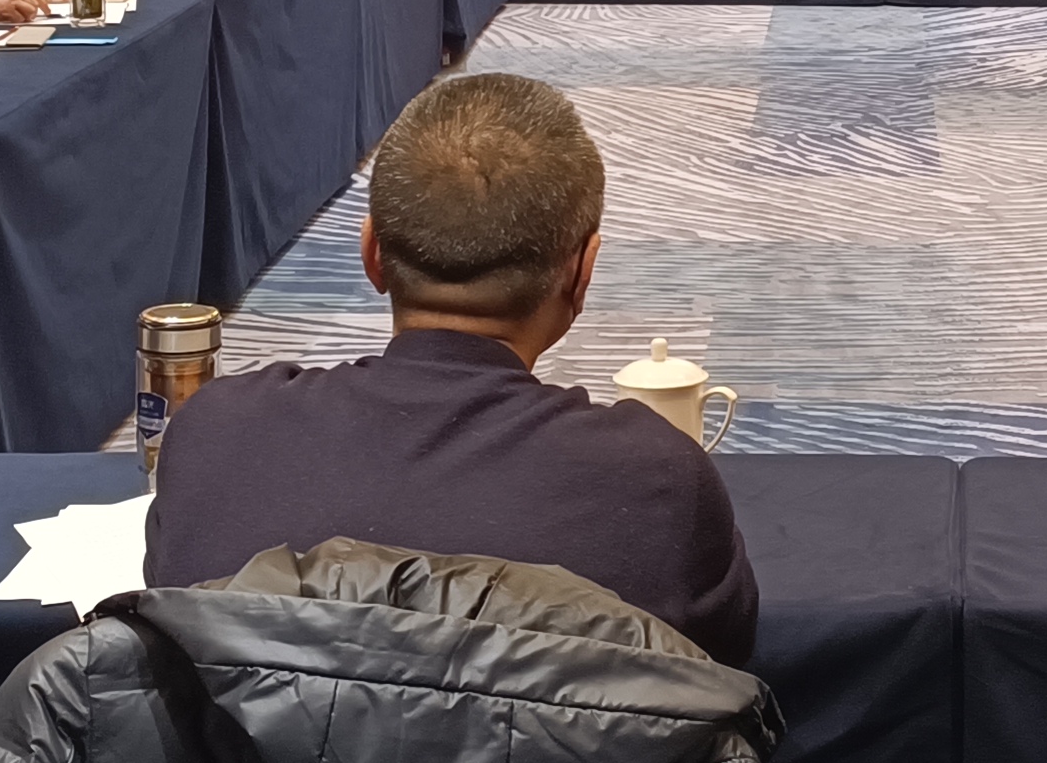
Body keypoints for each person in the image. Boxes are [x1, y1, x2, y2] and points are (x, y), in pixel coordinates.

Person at [145, 69, 757, 665]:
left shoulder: (215, 434)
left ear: (371, 254)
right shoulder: (657, 482)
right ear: (582, 272)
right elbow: (720, 680)